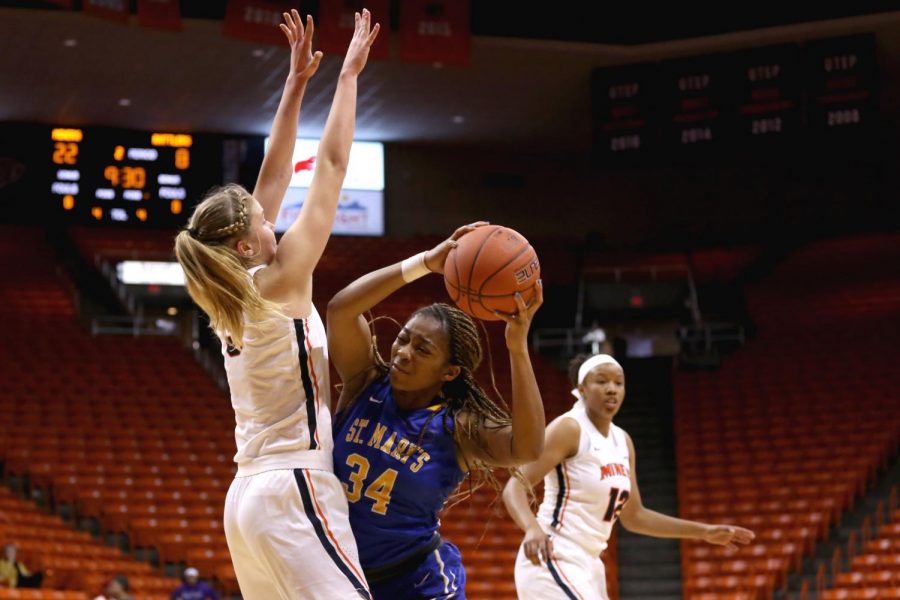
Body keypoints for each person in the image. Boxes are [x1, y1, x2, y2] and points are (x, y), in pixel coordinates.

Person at [174, 8, 379, 600]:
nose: (274, 217)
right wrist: (348, 78)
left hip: (246, 500)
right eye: (266, 220)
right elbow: (333, 168)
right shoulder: (283, 280)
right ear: (245, 243)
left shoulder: (229, 290)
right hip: (294, 488)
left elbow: (274, 172)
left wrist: (294, 85)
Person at [327, 223, 546, 599]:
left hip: (416, 582)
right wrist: (424, 263)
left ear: (450, 372)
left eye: (422, 349)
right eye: (403, 339)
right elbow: (340, 310)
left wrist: (517, 348)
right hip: (341, 573)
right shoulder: (366, 382)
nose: (403, 353)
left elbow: (526, 448)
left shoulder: (456, 427)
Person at [502, 353, 756, 600]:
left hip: (589, 564)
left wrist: (704, 532)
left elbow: (635, 517)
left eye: (618, 382)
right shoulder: (570, 428)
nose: (611, 388)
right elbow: (514, 487)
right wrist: (532, 529)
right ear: (582, 388)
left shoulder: (623, 441)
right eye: (601, 381)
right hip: (553, 554)